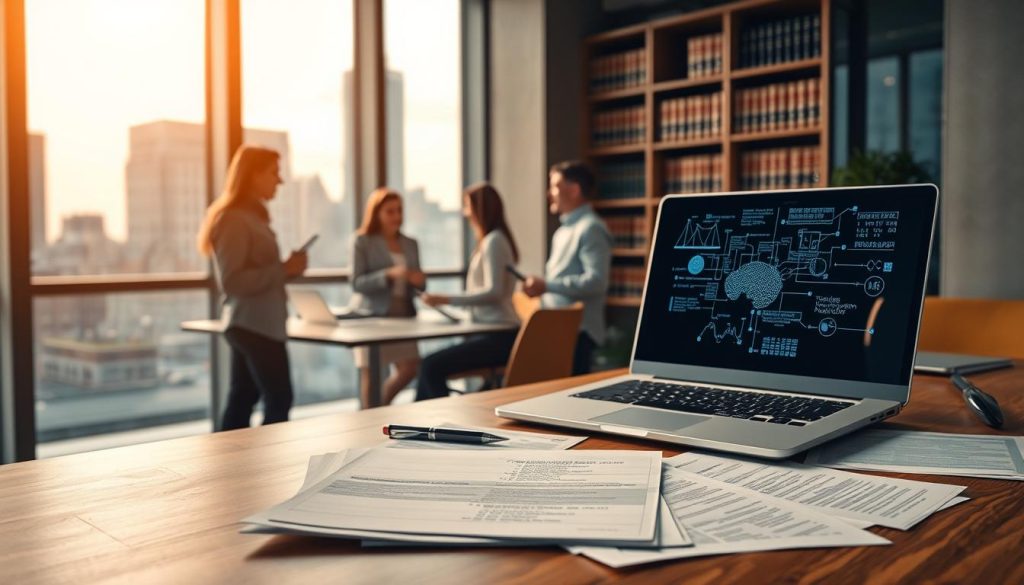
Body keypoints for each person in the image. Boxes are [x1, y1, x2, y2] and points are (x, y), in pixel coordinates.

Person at [196, 145, 307, 430]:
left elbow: (259, 275)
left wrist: (289, 270)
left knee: (244, 396)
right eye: (274, 173)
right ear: (253, 175)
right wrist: (283, 269)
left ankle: (231, 467)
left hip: (258, 324)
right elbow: (233, 282)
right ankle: (261, 467)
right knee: (279, 398)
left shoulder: (252, 217)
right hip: (254, 327)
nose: (279, 181)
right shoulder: (233, 219)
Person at [417, 183, 522, 400]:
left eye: (467, 206)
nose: (465, 213)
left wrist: (446, 299)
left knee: (430, 366)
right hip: (491, 331)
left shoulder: (494, 241)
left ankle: (432, 426)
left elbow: (494, 291)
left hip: (499, 335)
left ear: (479, 209)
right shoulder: (492, 240)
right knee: (430, 365)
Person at [522, 160, 611, 375]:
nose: (549, 193)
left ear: (574, 190)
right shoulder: (563, 231)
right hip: (557, 329)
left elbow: (597, 281)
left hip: (577, 332)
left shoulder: (591, 229)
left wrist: (547, 286)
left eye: (554, 186)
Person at [349, 188, 425, 406]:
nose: (396, 216)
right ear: (377, 213)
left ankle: (378, 407)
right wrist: (387, 274)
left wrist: (419, 280)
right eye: (390, 211)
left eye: (399, 211)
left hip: (403, 316)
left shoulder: (410, 243)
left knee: (410, 367)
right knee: (371, 375)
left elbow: (420, 283)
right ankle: (370, 418)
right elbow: (356, 282)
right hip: (371, 316)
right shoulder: (362, 241)